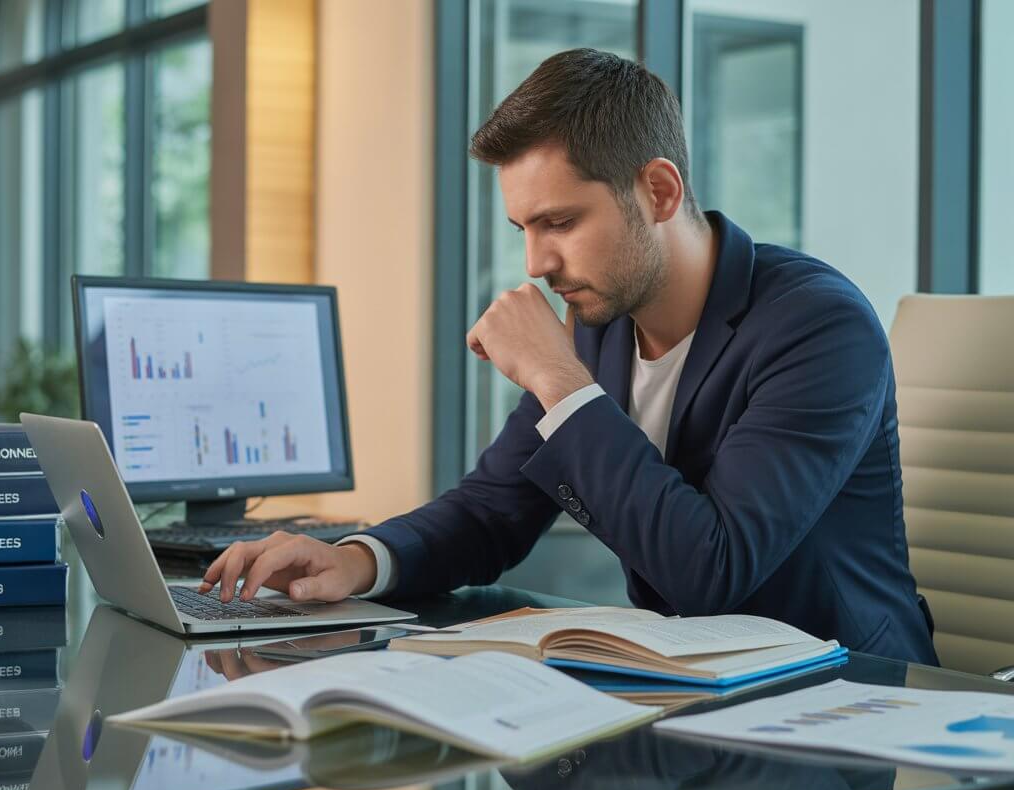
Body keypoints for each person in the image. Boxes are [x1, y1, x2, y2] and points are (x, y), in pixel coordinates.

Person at [200, 48, 938, 665]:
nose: (536, 262)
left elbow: (711, 570)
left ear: (657, 190)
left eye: (559, 222)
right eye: (524, 226)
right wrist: (358, 560)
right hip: (692, 693)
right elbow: (494, 509)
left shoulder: (818, 326)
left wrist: (557, 378)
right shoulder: (603, 322)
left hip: (849, 709)